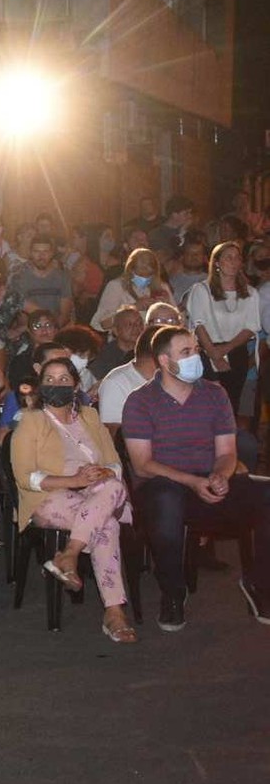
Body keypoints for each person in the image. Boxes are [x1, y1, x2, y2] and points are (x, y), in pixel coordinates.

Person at [122, 326, 270, 631]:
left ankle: (260, 585)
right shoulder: (140, 401)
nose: (195, 358)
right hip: (163, 484)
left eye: (196, 351)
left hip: (207, 478)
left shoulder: (214, 394)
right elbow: (142, 465)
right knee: (166, 502)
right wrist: (192, 481)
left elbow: (227, 451)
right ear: (164, 360)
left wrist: (221, 476)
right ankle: (173, 594)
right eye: (186, 352)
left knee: (265, 495)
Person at [10, 358, 138, 643]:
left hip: (99, 493)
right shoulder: (31, 421)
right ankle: (114, 612)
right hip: (51, 497)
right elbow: (25, 477)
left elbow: (115, 465)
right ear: (41, 386)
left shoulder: (90, 417)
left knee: (112, 485)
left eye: (64, 379)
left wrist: (99, 473)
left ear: (77, 385)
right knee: (108, 526)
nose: (57, 385)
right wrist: (74, 481)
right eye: (50, 380)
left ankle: (68, 554)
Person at [181, 241, 260, 419]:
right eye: (228, 258)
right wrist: (213, 354)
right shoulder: (201, 290)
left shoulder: (250, 293)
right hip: (207, 351)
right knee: (207, 406)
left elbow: (251, 327)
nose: (233, 262)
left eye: (237, 258)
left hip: (235, 351)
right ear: (216, 262)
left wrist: (224, 350)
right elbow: (198, 324)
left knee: (230, 406)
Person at [91, 248, 172, 332]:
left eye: (149, 275)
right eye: (140, 275)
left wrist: (166, 307)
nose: (145, 279)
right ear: (131, 270)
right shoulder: (116, 286)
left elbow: (178, 321)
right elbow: (101, 323)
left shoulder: (162, 287)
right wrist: (134, 307)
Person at [9, 237, 74, 327]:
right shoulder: (19, 278)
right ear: (31, 253)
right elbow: (21, 315)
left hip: (56, 329)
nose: (41, 256)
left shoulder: (62, 277)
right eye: (37, 251)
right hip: (30, 330)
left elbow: (65, 313)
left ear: (52, 254)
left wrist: (52, 330)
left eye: (45, 252)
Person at [90, 305, 143, 381]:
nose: (136, 328)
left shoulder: (146, 352)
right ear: (115, 330)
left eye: (140, 323)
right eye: (129, 324)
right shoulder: (103, 355)